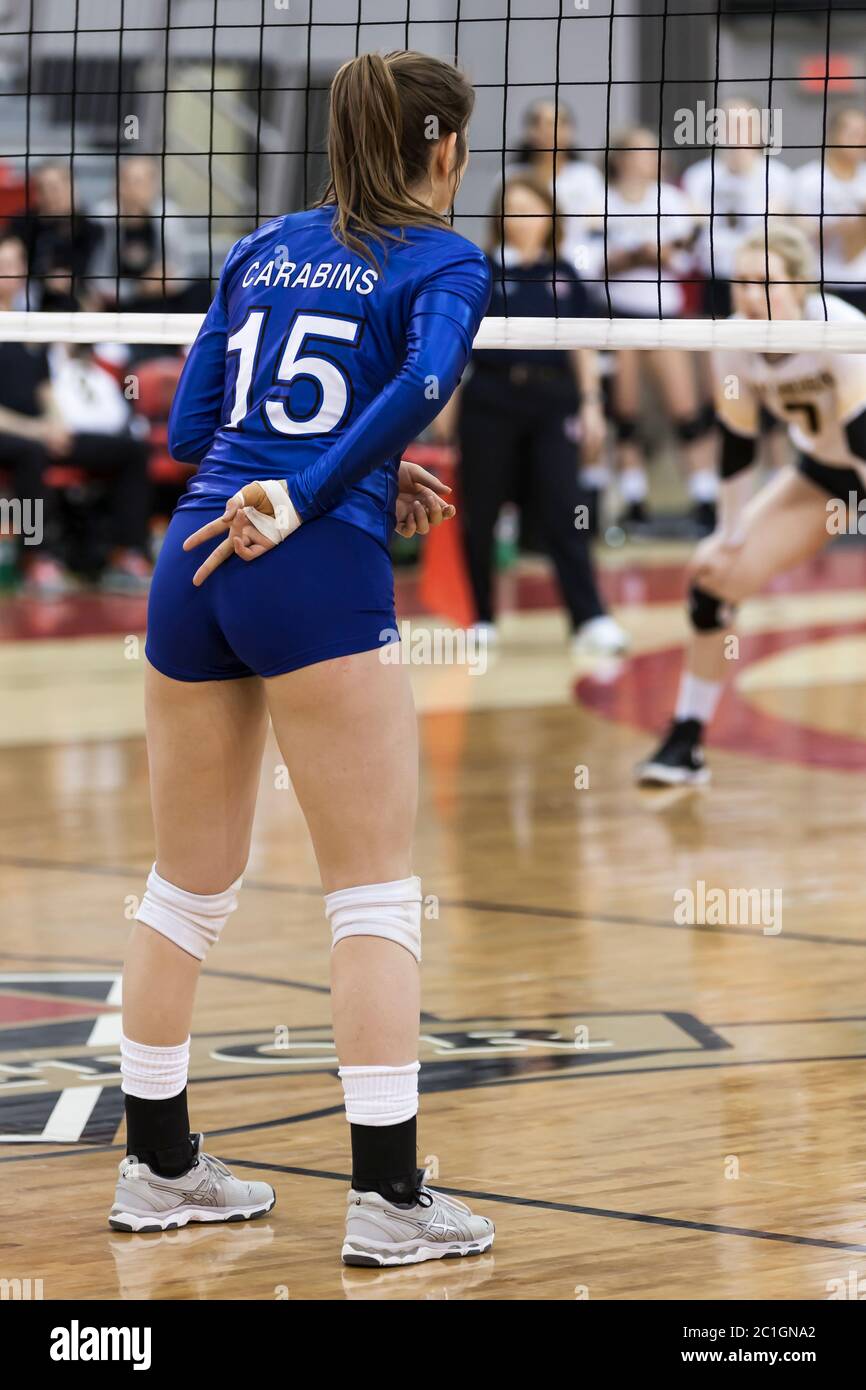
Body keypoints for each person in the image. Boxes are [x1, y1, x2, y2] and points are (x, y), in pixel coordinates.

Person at [108, 50, 496, 1268]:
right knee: (372, 892)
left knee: (185, 886)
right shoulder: (443, 257)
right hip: (304, 563)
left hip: (195, 559)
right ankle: (387, 1195)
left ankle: (158, 1168)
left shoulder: (261, 244)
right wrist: (330, 485)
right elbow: (426, 376)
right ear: (441, 149)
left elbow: (185, 427)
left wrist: (329, 475)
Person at [637, 223, 866, 786]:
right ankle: (686, 742)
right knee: (713, 579)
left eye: (766, 281)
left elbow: (864, 440)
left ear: (800, 287)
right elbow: (737, 446)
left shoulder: (840, 330)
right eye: (741, 281)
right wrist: (729, 532)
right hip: (825, 475)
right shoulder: (734, 339)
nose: (750, 293)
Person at [441, 176, 627, 654]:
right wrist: (442, 399)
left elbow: (582, 344)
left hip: (553, 403)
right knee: (479, 512)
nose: (525, 218)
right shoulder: (481, 270)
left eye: (534, 209)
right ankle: (480, 617)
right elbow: (455, 345)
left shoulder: (564, 274)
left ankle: (589, 618)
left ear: (551, 219)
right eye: (515, 209)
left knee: (567, 508)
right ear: (500, 217)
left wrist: (592, 404)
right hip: (490, 401)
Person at [0, 234, 150, 597]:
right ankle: (36, 559)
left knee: (133, 449)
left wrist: (55, 422)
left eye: (17, 264)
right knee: (30, 454)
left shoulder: (29, 325)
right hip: (12, 433)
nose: (12, 272)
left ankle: (126, 553)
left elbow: (44, 387)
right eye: (4, 264)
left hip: (39, 430)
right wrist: (37, 430)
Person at [598, 126, 716, 531]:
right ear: (621, 158)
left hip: (663, 317)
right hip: (616, 317)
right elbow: (588, 263)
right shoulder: (601, 200)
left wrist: (662, 254)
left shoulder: (672, 199)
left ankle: (705, 500)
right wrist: (631, 255)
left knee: (687, 411)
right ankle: (634, 503)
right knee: (625, 415)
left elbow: (686, 260)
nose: (652, 158)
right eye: (643, 151)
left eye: (654, 151)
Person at [509, 100, 606, 275]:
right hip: (522, 271)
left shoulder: (587, 177)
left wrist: (580, 269)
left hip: (577, 273)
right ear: (529, 131)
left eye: (559, 123)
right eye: (541, 123)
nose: (550, 131)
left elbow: (595, 233)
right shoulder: (511, 176)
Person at [792, 105, 866, 314]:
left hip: (862, 284)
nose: (861, 141)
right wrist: (839, 228)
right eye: (854, 134)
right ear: (833, 135)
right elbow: (799, 234)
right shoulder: (807, 179)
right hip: (822, 284)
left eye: (864, 134)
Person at [10, 161, 103, 311]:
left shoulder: (91, 228)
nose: (49, 194)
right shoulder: (21, 224)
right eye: (42, 188)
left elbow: (96, 272)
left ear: (71, 186)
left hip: (78, 299)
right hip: (30, 300)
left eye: (55, 187)